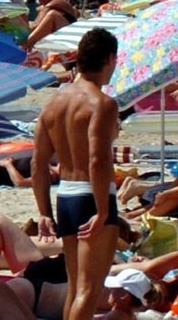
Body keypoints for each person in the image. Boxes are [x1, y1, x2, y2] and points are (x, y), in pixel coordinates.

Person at [33, 27, 122, 320]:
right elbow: (98, 160)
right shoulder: (102, 103)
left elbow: (38, 163)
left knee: (74, 287)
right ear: (109, 59)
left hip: (66, 197)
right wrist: (102, 210)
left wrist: (44, 211)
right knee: (89, 290)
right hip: (91, 197)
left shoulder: (53, 104)